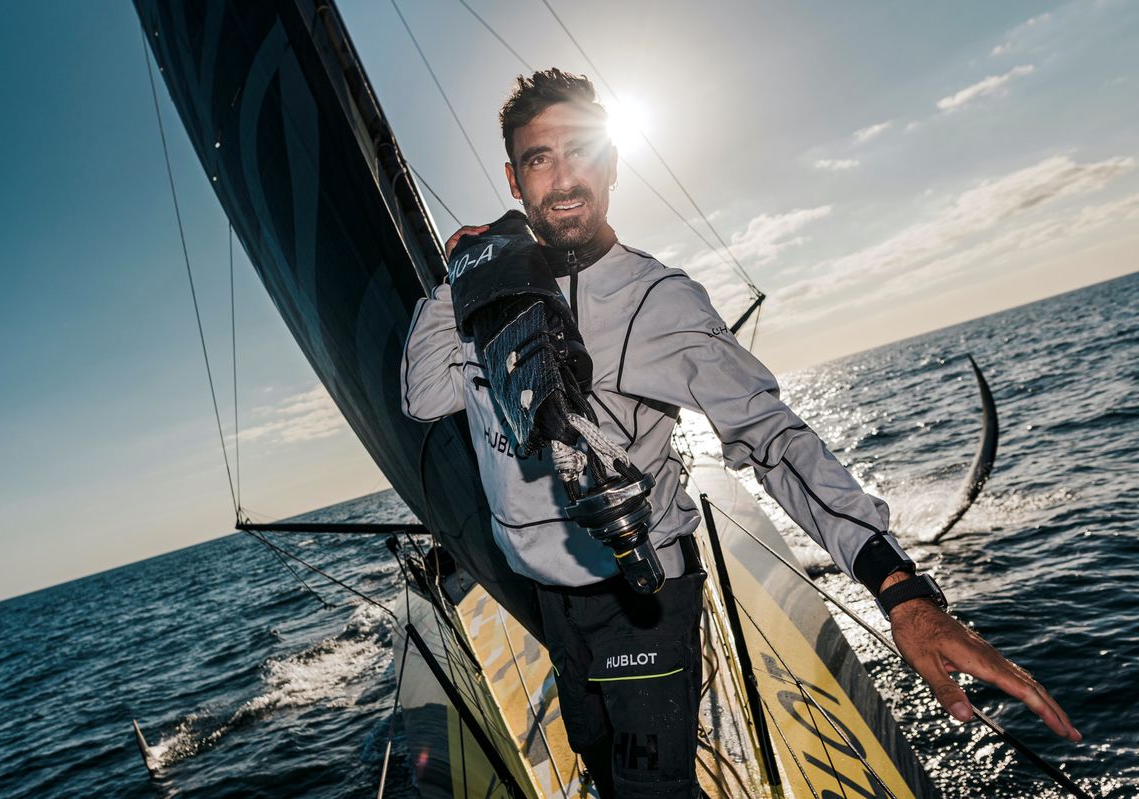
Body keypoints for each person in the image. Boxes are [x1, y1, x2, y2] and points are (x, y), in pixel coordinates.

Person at [401, 68, 1079, 798]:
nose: (565, 180)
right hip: (551, 601)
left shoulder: (656, 302)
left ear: (613, 161)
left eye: (581, 153)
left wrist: (901, 590)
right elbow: (423, 395)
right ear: (514, 178)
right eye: (541, 159)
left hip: (641, 599)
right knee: (600, 769)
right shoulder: (488, 294)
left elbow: (774, 438)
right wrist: (462, 278)